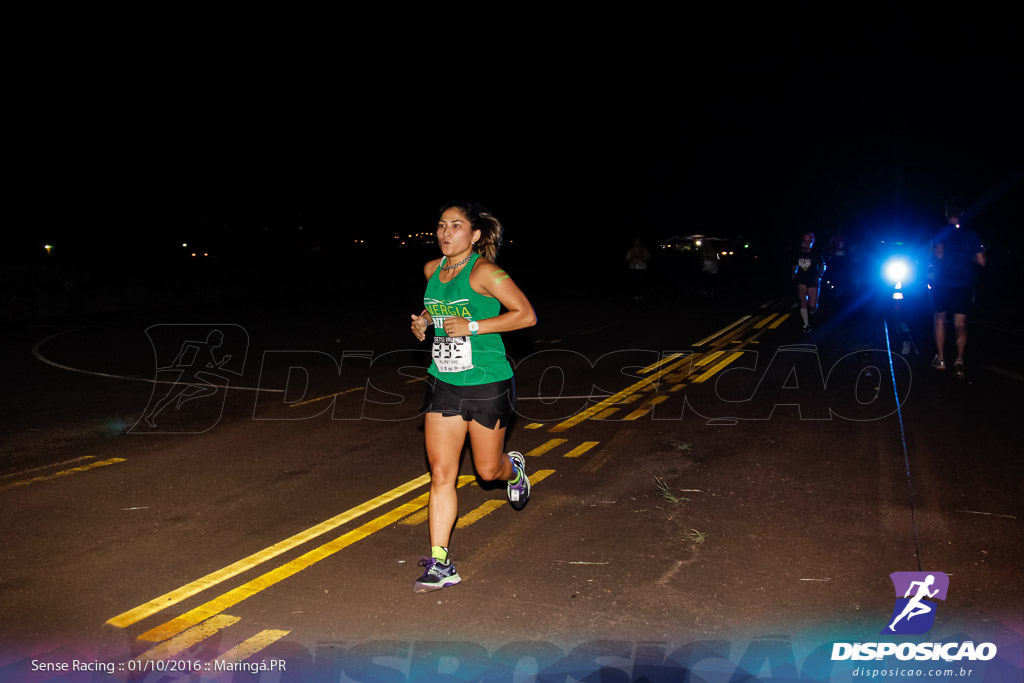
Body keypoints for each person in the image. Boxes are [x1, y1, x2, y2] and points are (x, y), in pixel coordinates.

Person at [408, 201, 537, 593]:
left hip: (487, 380)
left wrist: (474, 326)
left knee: (486, 472)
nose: (446, 233)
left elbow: (526, 315)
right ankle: (440, 562)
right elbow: (439, 307)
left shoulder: (487, 273)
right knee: (442, 473)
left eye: (457, 226)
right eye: (442, 225)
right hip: (444, 381)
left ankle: (512, 470)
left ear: (475, 234)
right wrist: (425, 321)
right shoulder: (433, 270)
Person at [929, 197, 986, 380]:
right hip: (963, 284)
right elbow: (982, 261)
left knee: (939, 318)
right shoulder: (970, 234)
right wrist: (967, 257)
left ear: (946, 213)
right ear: (961, 214)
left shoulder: (940, 232)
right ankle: (959, 360)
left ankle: (942, 359)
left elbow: (937, 255)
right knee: (961, 323)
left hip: (943, 283)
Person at [791, 232, 826, 332]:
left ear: (812, 242)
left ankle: (814, 314)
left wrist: (819, 276)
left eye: (809, 240)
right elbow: (794, 266)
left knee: (812, 304)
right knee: (803, 302)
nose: (806, 242)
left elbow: (823, 265)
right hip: (801, 279)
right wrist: (793, 276)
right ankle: (806, 324)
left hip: (812, 279)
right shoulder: (797, 253)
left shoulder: (816, 253)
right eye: (805, 240)